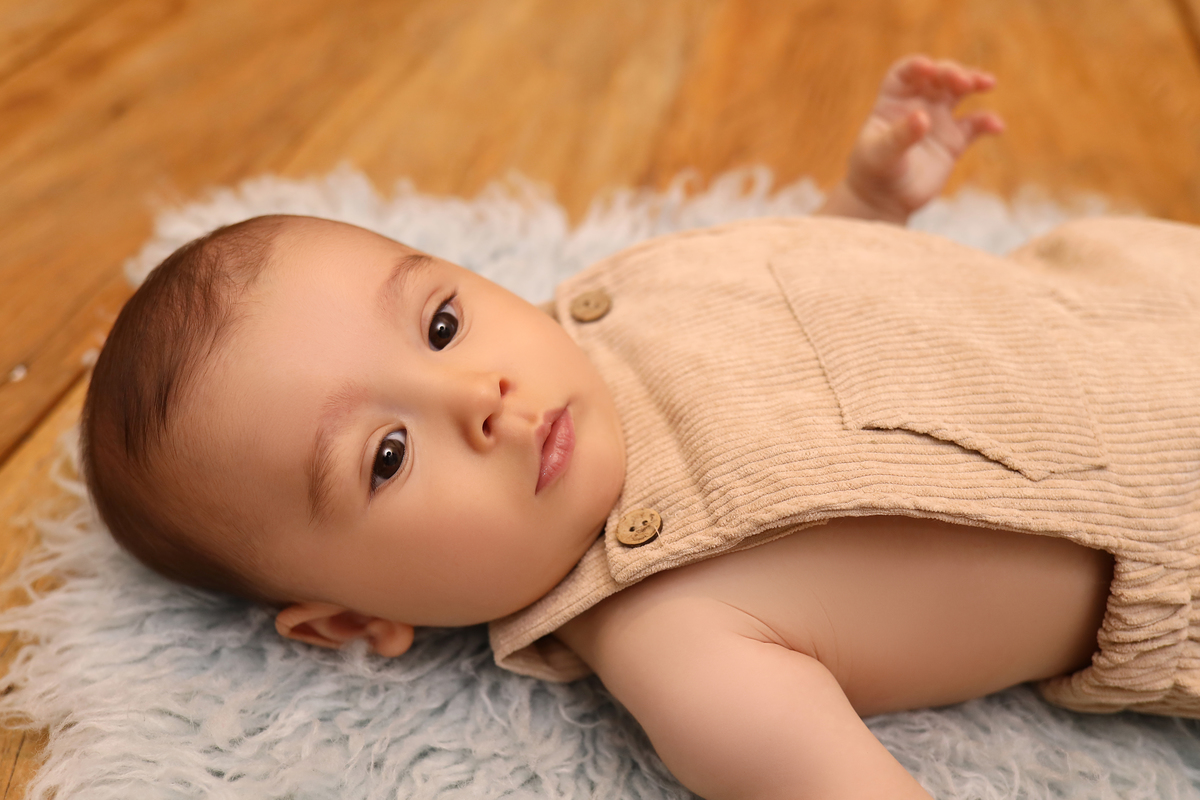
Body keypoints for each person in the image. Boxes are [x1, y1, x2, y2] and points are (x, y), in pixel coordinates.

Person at [81, 55, 1200, 799]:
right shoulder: (679, 646)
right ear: (352, 619)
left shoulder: (621, 303)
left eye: (440, 322)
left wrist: (868, 209)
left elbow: (801, 314)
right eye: (387, 455)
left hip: (1129, 284)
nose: (479, 395)